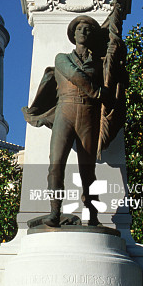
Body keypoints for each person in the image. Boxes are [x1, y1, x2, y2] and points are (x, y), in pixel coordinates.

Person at [23, 15, 113, 227]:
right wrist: (97, 92)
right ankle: (54, 211)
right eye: (80, 29)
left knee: (87, 169)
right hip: (65, 111)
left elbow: (113, 82)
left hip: (88, 115)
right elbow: (75, 75)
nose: (84, 32)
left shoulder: (99, 64)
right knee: (55, 165)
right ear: (73, 34)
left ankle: (91, 212)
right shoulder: (61, 58)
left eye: (88, 30)